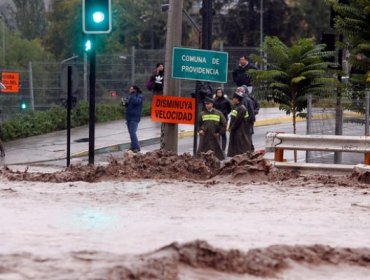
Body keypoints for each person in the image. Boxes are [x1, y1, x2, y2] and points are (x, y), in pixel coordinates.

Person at [227, 91, 251, 157]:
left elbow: (237, 121)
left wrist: (231, 128)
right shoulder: (236, 107)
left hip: (240, 131)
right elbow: (232, 119)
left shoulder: (241, 108)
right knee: (236, 147)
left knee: (240, 148)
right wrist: (230, 127)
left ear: (237, 99)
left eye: (233, 98)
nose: (232, 100)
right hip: (236, 131)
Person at [122, 85, 144, 153]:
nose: (130, 90)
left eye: (131, 89)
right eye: (130, 89)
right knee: (131, 133)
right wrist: (124, 102)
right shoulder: (131, 96)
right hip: (129, 117)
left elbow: (136, 102)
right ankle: (133, 146)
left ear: (135, 90)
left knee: (132, 132)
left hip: (135, 117)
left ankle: (137, 147)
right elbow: (127, 104)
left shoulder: (140, 96)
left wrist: (133, 95)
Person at [213, 88, 231, 152]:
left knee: (223, 133)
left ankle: (223, 149)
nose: (219, 93)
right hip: (216, 119)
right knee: (217, 134)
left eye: (220, 92)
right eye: (218, 92)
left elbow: (229, 109)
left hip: (224, 119)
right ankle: (218, 148)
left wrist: (225, 114)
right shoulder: (214, 100)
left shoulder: (226, 101)